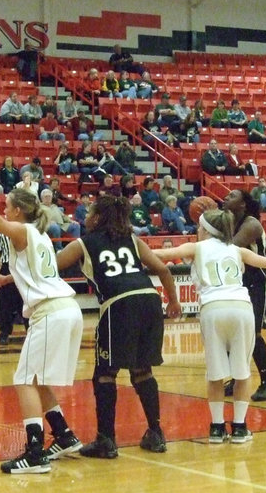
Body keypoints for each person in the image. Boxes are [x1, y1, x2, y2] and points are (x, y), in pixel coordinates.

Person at [0, 166, 84, 474]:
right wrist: (5, 279)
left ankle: (34, 452)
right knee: (37, 378)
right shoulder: (38, 234)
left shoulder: (21, 229)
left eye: (7, 206)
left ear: (16, 210)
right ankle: (64, 434)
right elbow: (38, 272)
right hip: (66, 307)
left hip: (51, 312)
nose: (4, 210)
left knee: (24, 379)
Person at [55, 195, 181, 458]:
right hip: (149, 300)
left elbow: (51, 265)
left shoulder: (84, 242)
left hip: (118, 305)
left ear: (98, 218)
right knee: (142, 369)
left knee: (105, 373)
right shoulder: (133, 240)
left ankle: (106, 440)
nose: (85, 217)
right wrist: (174, 302)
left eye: (89, 212)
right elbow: (163, 270)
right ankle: (156, 433)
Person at [154, 209, 266, 443]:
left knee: (215, 374)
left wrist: (133, 248)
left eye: (199, 227)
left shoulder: (196, 248)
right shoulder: (237, 250)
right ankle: (239, 428)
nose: (197, 230)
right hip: (240, 307)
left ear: (206, 230)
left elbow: (161, 253)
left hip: (212, 308)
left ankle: (217, 428)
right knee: (242, 372)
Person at [223, 189, 266, 402]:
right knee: (236, 332)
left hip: (259, 281)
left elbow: (229, 248)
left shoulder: (252, 224)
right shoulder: (229, 222)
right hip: (241, 282)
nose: (227, 197)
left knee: (254, 334)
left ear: (243, 204)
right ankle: (238, 379)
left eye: (233, 196)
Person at [0, 230, 25, 346]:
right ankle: (4, 333)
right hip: (6, 266)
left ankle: (31, 330)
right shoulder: (1, 232)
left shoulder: (25, 229)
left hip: (22, 265)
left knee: (25, 301)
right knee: (5, 303)